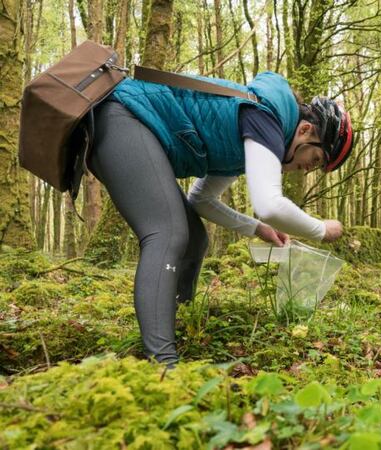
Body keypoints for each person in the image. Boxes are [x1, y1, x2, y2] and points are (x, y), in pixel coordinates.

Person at [87, 70, 354, 365]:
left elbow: (201, 201)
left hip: (132, 124)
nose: (307, 169)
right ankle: (162, 365)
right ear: (304, 131)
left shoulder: (252, 132)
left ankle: (178, 325)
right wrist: (320, 229)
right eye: (315, 160)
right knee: (169, 232)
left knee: (195, 238)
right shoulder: (267, 119)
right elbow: (270, 205)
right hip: (123, 116)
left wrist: (257, 228)